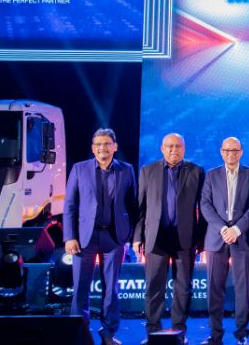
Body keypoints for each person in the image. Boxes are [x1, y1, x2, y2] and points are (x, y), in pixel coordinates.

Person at [64, 128, 137, 345]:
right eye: (98, 144)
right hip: (83, 238)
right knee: (80, 288)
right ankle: (80, 334)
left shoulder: (126, 170)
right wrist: (69, 237)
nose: (102, 148)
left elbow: (132, 204)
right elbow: (69, 205)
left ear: (115, 147)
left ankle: (108, 334)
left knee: (111, 288)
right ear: (92, 148)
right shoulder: (79, 169)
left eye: (106, 144)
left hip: (114, 238)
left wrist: (130, 235)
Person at [133, 133, 205, 340]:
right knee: (153, 287)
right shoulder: (147, 171)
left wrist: (200, 239)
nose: (174, 150)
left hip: (185, 239)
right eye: (170, 146)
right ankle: (153, 331)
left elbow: (203, 208)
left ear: (184, 149)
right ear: (162, 149)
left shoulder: (196, 171)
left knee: (183, 288)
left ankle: (179, 331)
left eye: (178, 146)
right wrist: (137, 237)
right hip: (156, 237)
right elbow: (141, 208)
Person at [200, 137, 249, 345]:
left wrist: (237, 228)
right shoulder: (211, 175)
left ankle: (242, 334)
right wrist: (223, 228)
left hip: (242, 238)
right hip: (217, 237)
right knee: (214, 289)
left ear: (241, 152)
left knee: (243, 289)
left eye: (234, 150)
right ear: (221, 152)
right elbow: (205, 204)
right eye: (227, 150)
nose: (230, 153)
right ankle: (215, 334)